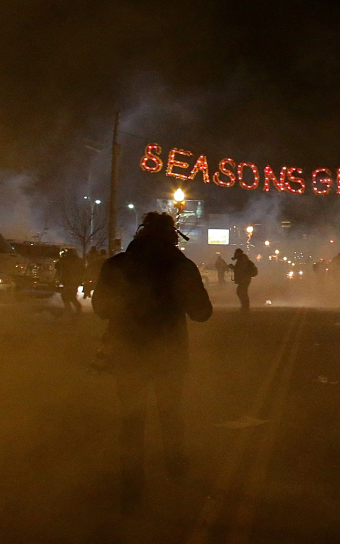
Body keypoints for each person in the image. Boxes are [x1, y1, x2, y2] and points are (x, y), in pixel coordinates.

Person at [91, 212, 212, 512]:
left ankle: (132, 488)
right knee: (170, 412)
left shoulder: (118, 264)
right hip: (168, 353)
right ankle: (175, 469)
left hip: (128, 352)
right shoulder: (181, 266)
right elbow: (202, 312)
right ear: (172, 236)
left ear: (140, 234)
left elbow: (101, 308)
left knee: (131, 419)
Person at [55, 249, 85, 317]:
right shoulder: (79, 261)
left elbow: (56, 265)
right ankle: (72, 309)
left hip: (68, 281)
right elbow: (83, 270)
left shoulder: (65, 260)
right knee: (70, 295)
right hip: (75, 281)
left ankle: (71, 309)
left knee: (66, 296)